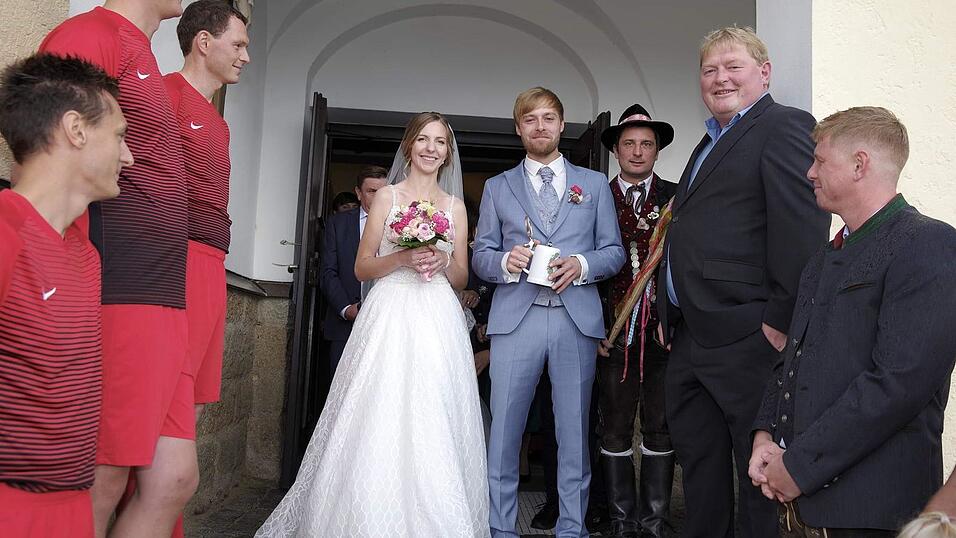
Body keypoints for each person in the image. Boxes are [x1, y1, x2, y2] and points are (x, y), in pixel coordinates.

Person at [256, 112, 489, 537]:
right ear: (408, 146)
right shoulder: (388, 198)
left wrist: (440, 262)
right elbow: (362, 267)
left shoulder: (455, 207)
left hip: (436, 314)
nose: (430, 148)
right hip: (390, 310)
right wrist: (401, 258)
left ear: (448, 153)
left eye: (439, 142)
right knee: (380, 404)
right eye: (422, 139)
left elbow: (461, 276)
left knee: (433, 407)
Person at [749, 106, 956, 536]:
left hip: (874, 515)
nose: (809, 172)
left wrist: (799, 468)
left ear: (860, 164)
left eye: (820, 160)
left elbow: (898, 384)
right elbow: (792, 358)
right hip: (805, 511)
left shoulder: (928, 244)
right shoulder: (824, 257)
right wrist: (765, 436)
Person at [657, 26, 830, 537]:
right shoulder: (707, 142)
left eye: (733, 66)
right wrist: (671, 314)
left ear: (765, 73)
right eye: (709, 70)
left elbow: (802, 230)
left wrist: (778, 321)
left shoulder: (784, 127)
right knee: (700, 470)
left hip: (748, 335)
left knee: (757, 479)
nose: (719, 78)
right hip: (692, 336)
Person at [39, 2, 193, 536]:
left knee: (173, 478)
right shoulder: (90, 32)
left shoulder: (143, 48)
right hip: (121, 277)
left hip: (166, 285)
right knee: (104, 474)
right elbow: (47, 150)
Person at [473, 87, 625, 538]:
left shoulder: (594, 184)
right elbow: (479, 254)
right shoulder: (497, 187)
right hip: (515, 319)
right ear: (518, 128)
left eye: (548, 118)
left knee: (574, 432)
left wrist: (583, 265)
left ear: (562, 125)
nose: (540, 126)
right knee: (505, 432)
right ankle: (501, 528)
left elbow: (614, 252)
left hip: (574, 319)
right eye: (530, 119)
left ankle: (572, 529)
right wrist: (504, 261)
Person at [0, 53, 132, 538]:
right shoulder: (5, 231)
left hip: (72, 505)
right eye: (119, 136)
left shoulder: (84, 254)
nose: (130, 156)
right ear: (76, 130)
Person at [162, 1, 249, 535]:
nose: (245, 56)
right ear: (203, 42)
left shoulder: (220, 123)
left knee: (190, 410)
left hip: (213, 267)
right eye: (237, 44)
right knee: (164, 404)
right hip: (176, 263)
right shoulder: (163, 98)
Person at [595, 104, 678, 538]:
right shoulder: (594, 196)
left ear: (658, 150)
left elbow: (684, 265)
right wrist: (594, 330)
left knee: (661, 426)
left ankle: (655, 522)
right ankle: (622, 523)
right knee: (614, 427)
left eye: (647, 144)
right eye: (629, 143)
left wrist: (674, 319)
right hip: (612, 332)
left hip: (662, 332)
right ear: (615, 150)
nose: (638, 151)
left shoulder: (678, 196)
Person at [319, 165, 388, 373]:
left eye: (382, 191)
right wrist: (346, 309)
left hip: (387, 324)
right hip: (345, 326)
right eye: (371, 191)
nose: (378, 197)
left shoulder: (402, 226)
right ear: (358, 193)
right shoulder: (337, 224)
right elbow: (328, 272)